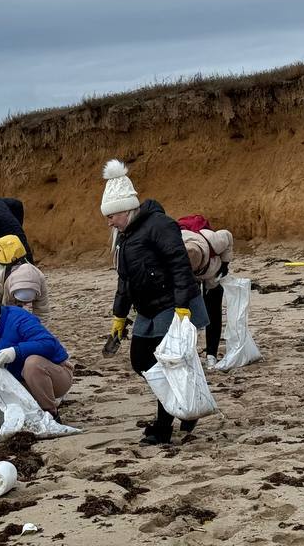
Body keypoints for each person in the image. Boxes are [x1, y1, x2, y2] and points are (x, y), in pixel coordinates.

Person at [101, 159, 202, 446]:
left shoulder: (160, 225)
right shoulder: (124, 237)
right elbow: (125, 281)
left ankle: (163, 427)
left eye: (111, 216)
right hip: (145, 307)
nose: (108, 222)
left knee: (165, 364)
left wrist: (183, 308)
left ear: (124, 210)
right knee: (140, 361)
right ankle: (183, 405)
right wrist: (119, 317)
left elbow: (180, 265)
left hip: (170, 304)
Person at [0, 290, 73, 419]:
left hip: (57, 376)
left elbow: (49, 344)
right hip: (20, 383)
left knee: (32, 363)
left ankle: (51, 414)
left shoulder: (19, 318)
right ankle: (13, 416)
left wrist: (16, 352)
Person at [181, 224, 234, 369]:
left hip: (213, 269)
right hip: (186, 275)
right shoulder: (174, 245)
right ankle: (188, 354)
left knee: (213, 310)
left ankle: (212, 354)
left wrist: (225, 264)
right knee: (187, 312)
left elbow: (228, 235)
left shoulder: (214, 241)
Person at [0, 235, 50, 317]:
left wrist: (39, 329)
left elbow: (42, 311)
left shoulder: (40, 277)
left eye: (27, 302)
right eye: (20, 300)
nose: (23, 304)